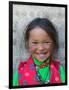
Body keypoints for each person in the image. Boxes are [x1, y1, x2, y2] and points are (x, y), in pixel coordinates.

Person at [13, 18, 65, 86]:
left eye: (47, 42)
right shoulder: (20, 72)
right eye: (35, 42)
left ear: (53, 44)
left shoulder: (59, 70)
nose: (41, 48)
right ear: (28, 44)